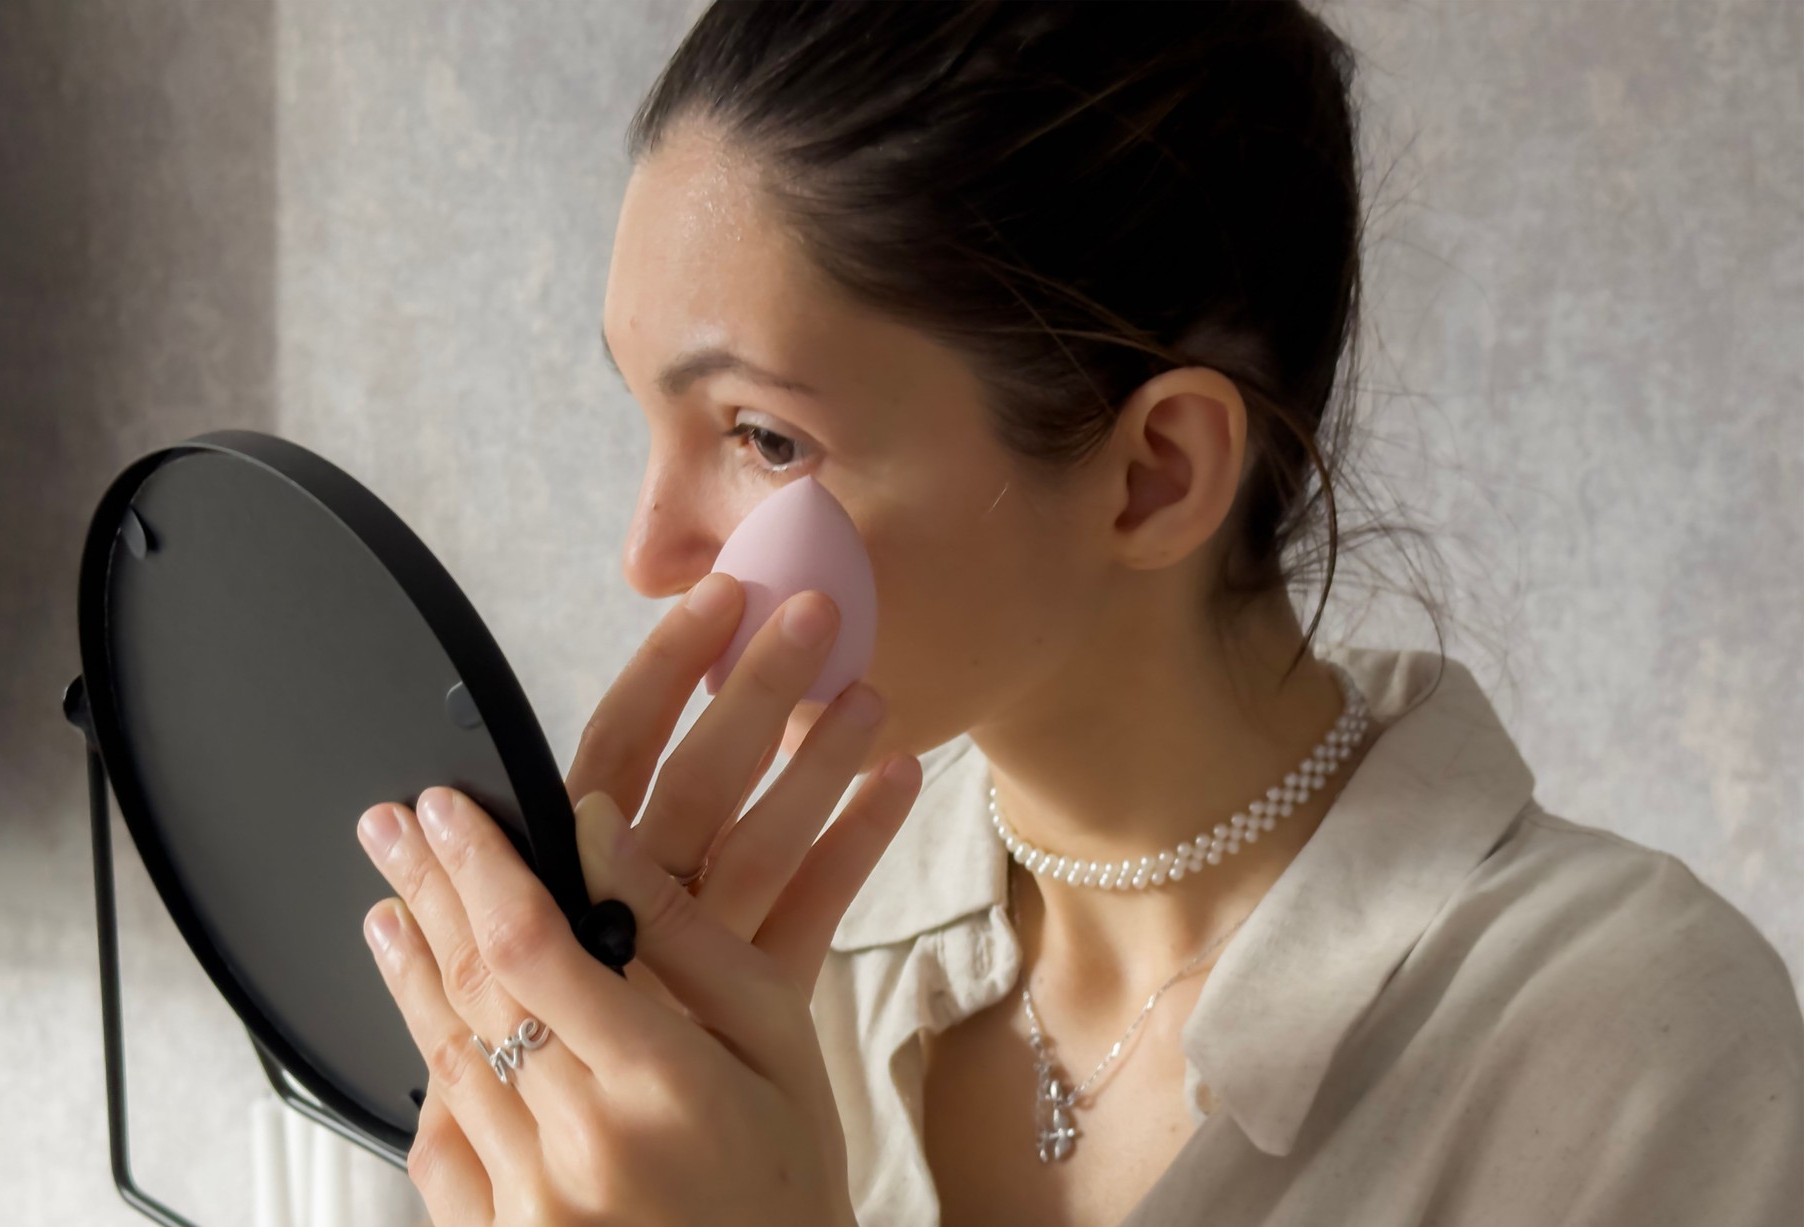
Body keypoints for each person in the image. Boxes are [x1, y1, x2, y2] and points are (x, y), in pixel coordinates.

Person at [360, 3, 1803, 1225]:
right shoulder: (699, 978)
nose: (648, 555)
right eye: (648, 414)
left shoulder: (1635, 1044)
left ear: (1153, 475)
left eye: (765, 438)